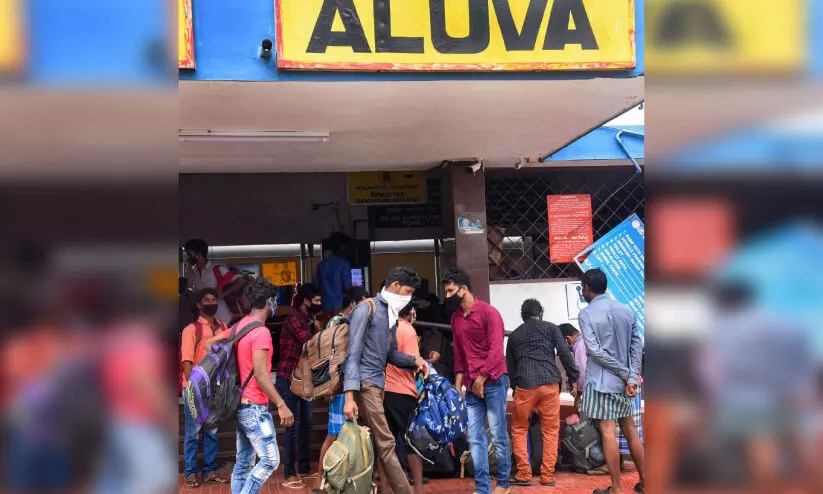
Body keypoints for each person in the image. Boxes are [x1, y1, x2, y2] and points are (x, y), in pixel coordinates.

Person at [343, 267, 429, 494]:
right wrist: (349, 398)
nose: (408, 298)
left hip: (377, 385)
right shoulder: (366, 309)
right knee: (386, 442)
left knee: (376, 445)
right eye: (408, 292)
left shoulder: (390, 315)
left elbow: (391, 355)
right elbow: (353, 355)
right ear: (395, 286)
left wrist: (415, 360)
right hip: (365, 385)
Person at [207, 277, 295, 494]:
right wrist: (281, 404)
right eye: (274, 300)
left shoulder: (241, 325)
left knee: (244, 462)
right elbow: (262, 375)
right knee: (270, 460)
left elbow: (210, 344)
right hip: (254, 407)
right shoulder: (261, 332)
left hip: (240, 404)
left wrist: (230, 366)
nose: (276, 304)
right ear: (268, 301)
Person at [442, 266, 511, 494]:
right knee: (474, 438)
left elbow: (496, 351)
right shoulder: (455, 319)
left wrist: (482, 378)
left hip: (494, 381)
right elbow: (459, 355)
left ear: (463, 289)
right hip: (471, 386)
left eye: (451, 291)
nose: (447, 296)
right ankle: (482, 488)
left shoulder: (489, 313)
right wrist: (458, 385)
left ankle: (503, 484)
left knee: (498, 434)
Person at [578, 269, 644, 494]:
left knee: (608, 431)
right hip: (625, 385)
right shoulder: (626, 310)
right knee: (630, 429)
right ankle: (646, 483)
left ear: (586, 287)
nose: (582, 291)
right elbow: (636, 345)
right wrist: (631, 376)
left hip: (601, 382)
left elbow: (595, 351)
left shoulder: (586, 314)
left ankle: (616, 488)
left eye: (582, 287)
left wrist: (625, 374)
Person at [507, 299, 579, 487]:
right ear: (540, 313)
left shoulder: (514, 335)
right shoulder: (551, 328)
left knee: (519, 429)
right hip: (549, 384)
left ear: (523, 316)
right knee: (550, 431)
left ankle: (524, 473)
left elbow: (511, 366)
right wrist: (573, 376)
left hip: (525, 385)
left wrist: (515, 387)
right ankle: (547, 476)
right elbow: (564, 353)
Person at [312, 287, 371, 494]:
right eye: (364, 303)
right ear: (353, 303)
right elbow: (330, 358)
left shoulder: (351, 322)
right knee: (334, 434)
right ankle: (320, 479)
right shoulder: (338, 323)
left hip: (351, 384)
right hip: (340, 387)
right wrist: (330, 387)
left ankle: (343, 477)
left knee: (348, 433)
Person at [180, 288, 230, 488]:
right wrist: (193, 387)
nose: (211, 303)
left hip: (215, 389)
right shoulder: (191, 329)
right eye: (207, 300)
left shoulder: (223, 327)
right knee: (193, 433)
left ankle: (209, 471)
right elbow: (186, 360)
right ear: (199, 305)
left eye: (214, 299)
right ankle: (190, 473)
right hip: (195, 389)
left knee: (212, 431)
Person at [276, 284, 322, 490]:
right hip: (289, 377)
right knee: (292, 426)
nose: (319, 304)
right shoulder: (295, 319)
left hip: (304, 378)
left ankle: (303, 468)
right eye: (316, 301)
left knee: (307, 423)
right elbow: (310, 344)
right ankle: (289, 473)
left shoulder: (309, 319)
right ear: (306, 301)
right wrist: (320, 331)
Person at [381, 302, 425, 494]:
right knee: (411, 443)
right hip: (404, 392)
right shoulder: (408, 330)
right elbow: (414, 362)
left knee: (385, 444)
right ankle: (418, 490)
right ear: (410, 312)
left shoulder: (385, 328)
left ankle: (386, 489)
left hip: (383, 391)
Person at [184, 239, 248, 325]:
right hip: (205, 322)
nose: (188, 257)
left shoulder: (217, 269)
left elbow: (241, 280)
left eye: (189, 254)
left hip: (223, 321)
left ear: (199, 254)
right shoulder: (195, 274)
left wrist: (223, 293)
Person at [314, 232, 352, 313]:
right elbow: (348, 288)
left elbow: (316, 286)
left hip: (325, 308)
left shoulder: (322, 264)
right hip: (341, 307)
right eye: (346, 246)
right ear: (342, 246)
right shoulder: (344, 264)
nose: (347, 249)